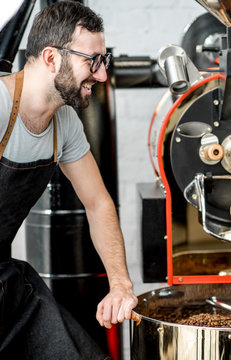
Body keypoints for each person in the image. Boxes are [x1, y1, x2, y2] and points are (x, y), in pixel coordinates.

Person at [0, 2, 137, 358]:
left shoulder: (66, 126)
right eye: (91, 61)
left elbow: (98, 203)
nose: (102, 75)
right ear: (51, 59)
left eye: (102, 61)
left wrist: (120, 283)